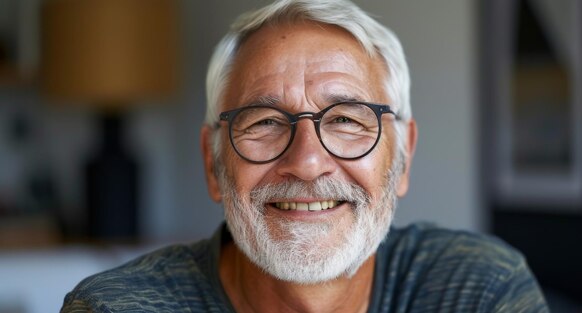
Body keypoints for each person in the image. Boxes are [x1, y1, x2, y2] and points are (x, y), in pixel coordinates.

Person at [61, 0, 549, 312]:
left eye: (346, 120)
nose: (308, 161)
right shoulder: (117, 309)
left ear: (404, 156)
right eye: (266, 123)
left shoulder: (480, 291)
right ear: (213, 165)